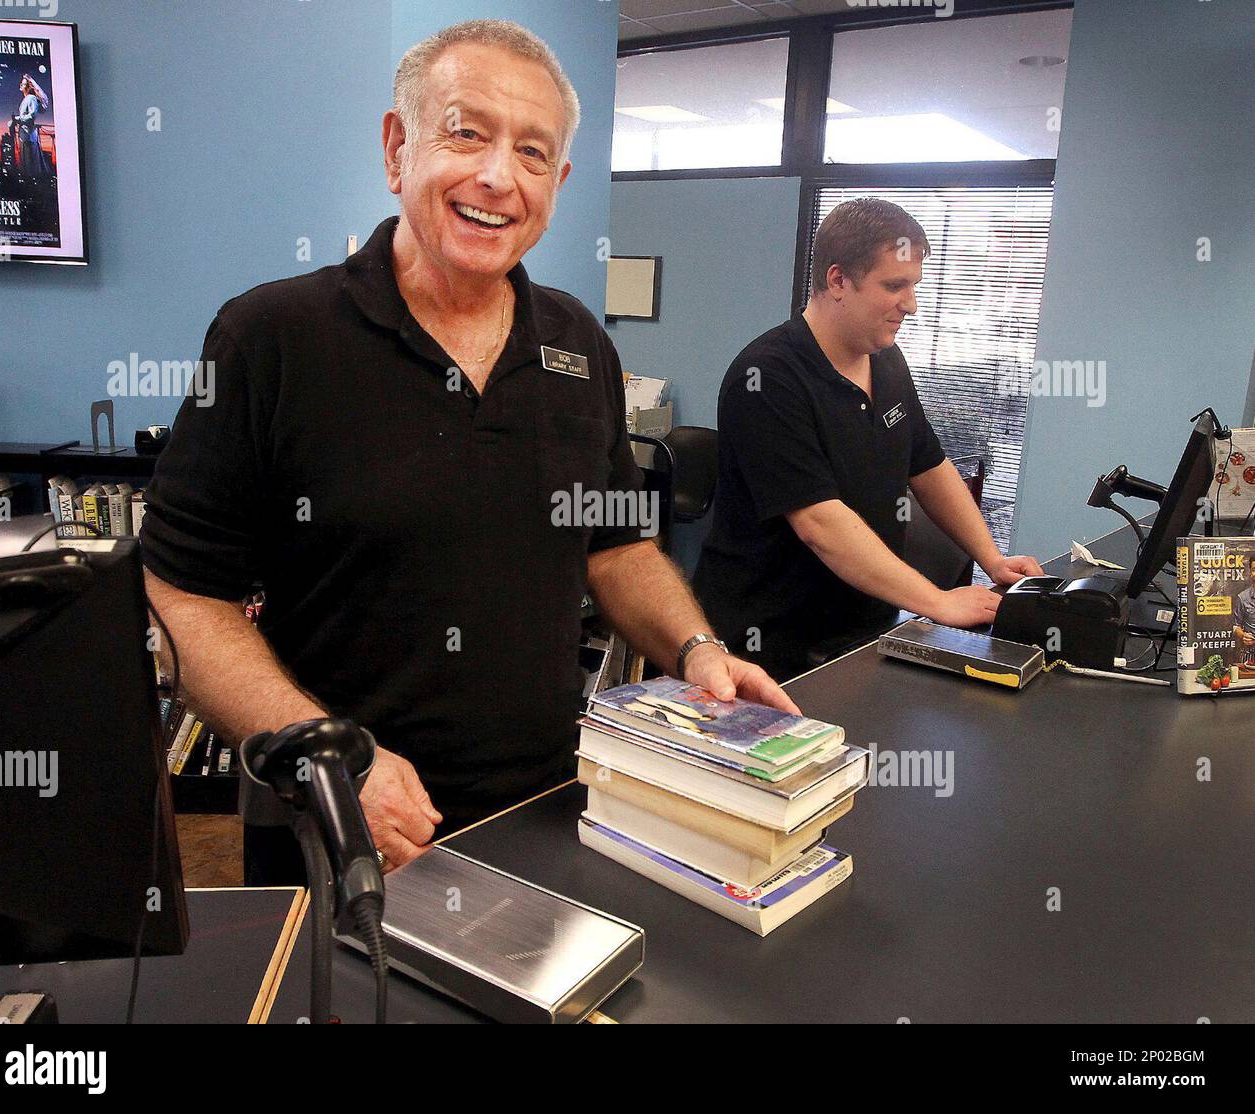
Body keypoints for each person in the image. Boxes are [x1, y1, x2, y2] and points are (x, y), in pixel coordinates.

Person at [140, 20, 796, 881]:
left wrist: (698, 652)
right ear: (396, 146)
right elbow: (184, 594)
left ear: (557, 182)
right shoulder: (270, 338)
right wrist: (331, 757)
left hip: (545, 810)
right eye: (466, 132)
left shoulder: (579, 343)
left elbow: (619, 545)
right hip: (338, 823)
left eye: (532, 152)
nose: (497, 177)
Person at [693, 197, 1044, 682]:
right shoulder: (768, 376)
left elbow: (930, 466)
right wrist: (938, 602)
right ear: (838, 280)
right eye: (895, 285)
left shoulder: (887, 359)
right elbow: (821, 522)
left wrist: (991, 558)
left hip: (862, 631)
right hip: (768, 644)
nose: (912, 304)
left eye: (914, 286)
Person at [11, 76, 49, 179]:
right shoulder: (26, 99)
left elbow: (32, 115)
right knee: (26, 164)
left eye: (23, 84)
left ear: (28, 87)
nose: (21, 85)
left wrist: (17, 119)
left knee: (30, 164)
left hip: (29, 136)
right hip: (25, 136)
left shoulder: (31, 98)